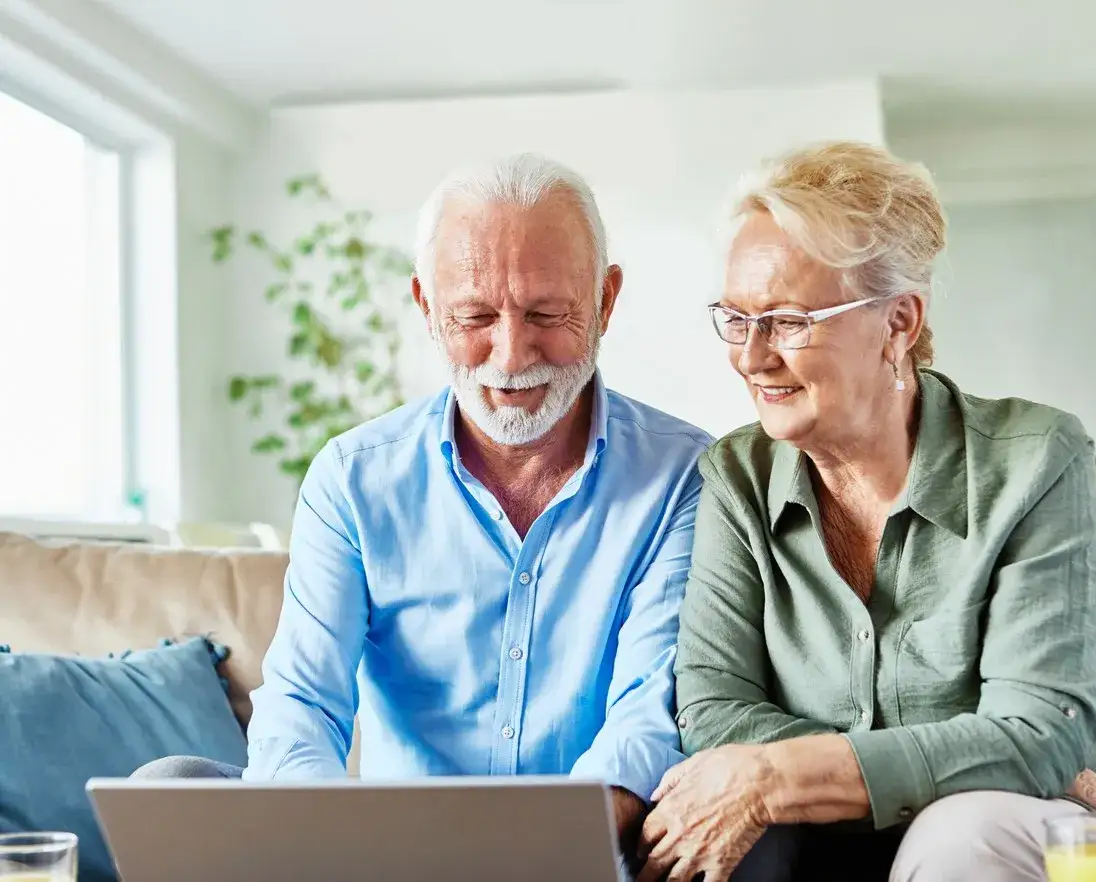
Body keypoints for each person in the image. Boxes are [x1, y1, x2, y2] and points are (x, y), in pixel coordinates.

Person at [634, 142, 1096, 882]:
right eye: (736, 319)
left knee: (964, 830)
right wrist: (961, 756)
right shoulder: (736, 476)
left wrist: (785, 775)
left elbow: (1039, 741)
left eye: (788, 321)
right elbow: (713, 711)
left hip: (1094, 842)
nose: (751, 356)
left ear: (898, 323)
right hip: (865, 850)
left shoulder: (1035, 461)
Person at [136, 153, 713, 855]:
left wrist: (542, 855)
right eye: (475, 315)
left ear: (605, 301)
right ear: (426, 307)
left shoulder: (683, 475)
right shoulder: (353, 480)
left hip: (585, 850)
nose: (510, 354)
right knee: (176, 781)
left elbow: (645, 718)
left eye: (547, 312)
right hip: (388, 857)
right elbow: (303, 707)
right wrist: (331, 849)